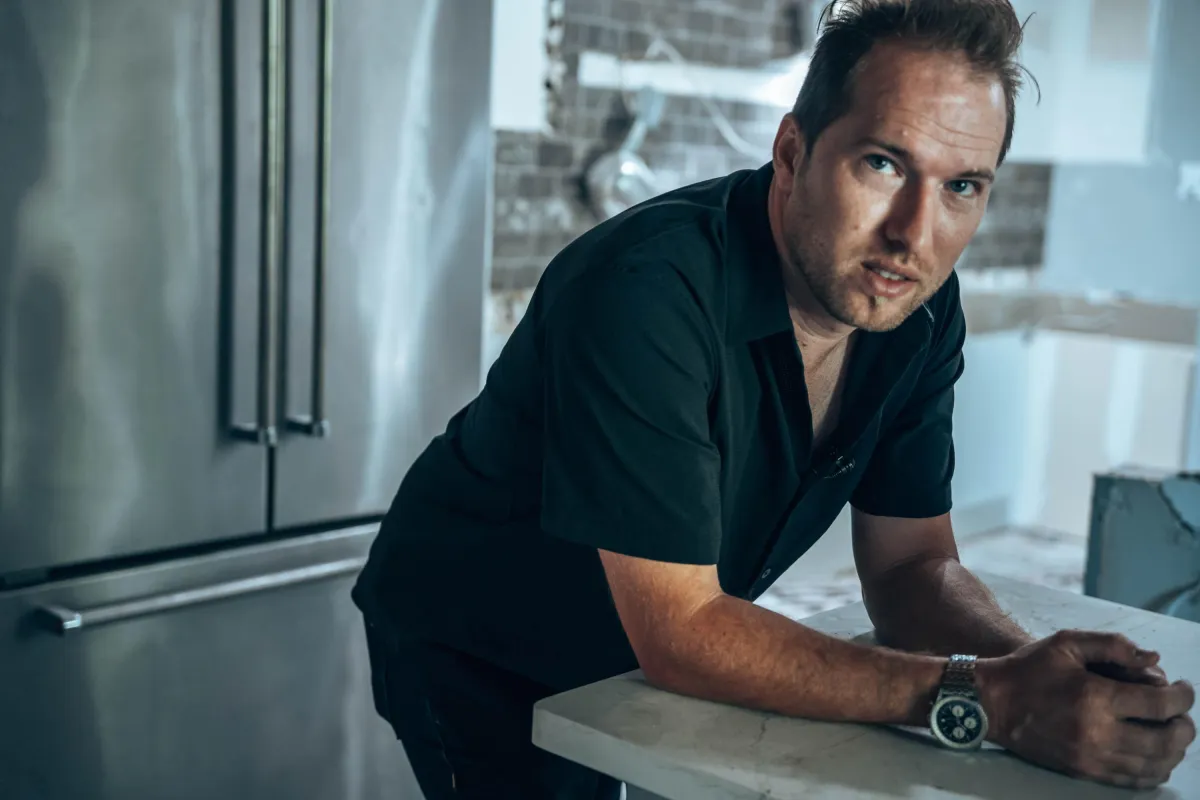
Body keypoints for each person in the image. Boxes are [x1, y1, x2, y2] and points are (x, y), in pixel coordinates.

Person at [353, 1, 1196, 797]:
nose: (914, 232)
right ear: (792, 153)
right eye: (883, 163)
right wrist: (988, 701)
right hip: (479, 646)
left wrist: (1043, 673)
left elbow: (910, 568)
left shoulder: (916, 306)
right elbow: (684, 632)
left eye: (961, 187)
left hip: (645, 653)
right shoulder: (645, 291)